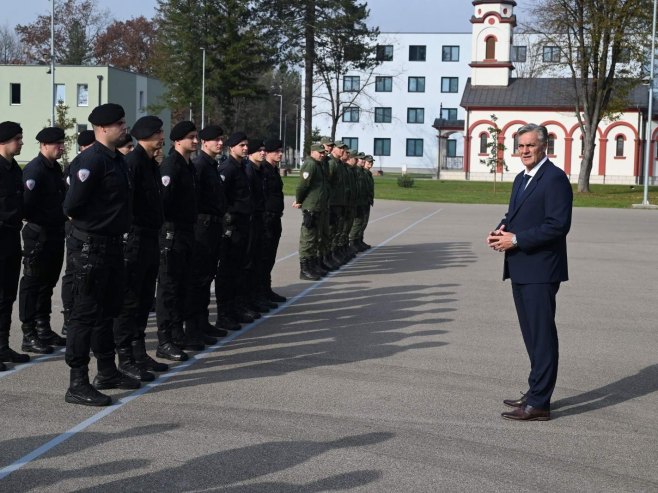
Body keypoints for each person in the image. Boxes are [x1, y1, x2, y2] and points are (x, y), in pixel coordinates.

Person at [487, 123, 573, 422]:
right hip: (521, 266)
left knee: (542, 335)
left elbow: (557, 225)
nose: (524, 151)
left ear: (544, 146)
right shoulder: (521, 178)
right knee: (531, 335)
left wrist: (517, 239)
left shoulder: (554, 179)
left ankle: (539, 403)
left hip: (541, 269)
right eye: (520, 145)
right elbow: (514, 215)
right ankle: (536, 390)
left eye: (530, 145)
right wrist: (501, 230)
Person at [63, 103, 139, 406]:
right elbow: (71, 207)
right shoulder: (90, 161)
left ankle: (107, 371)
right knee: (84, 315)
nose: (125, 127)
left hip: (111, 246)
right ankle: (77, 382)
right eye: (120, 123)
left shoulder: (117, 160)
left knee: (108, 310)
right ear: (103, 128)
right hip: (90, 248)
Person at [112, 115, 168, 381]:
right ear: (146, 135)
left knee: (145, 299)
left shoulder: (150, 163)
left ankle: (138, 351)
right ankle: (125, 357)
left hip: (150, 238)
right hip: (134, 239)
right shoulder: (132, 163)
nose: (162, 136)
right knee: (130, 300)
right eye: (158, 132)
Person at [18, 127, 68, 355]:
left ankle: (43, 327)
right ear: (44, 145)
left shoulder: (54, 168)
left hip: (54, 233)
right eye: (58, 144)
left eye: (62, 143)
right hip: (39, 235)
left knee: (47, 284)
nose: (61, 147)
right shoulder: (35, 170)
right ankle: (29, 334)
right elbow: (26, 206)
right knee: (33, 284)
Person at [156, 121, 198, 359]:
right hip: (172, 233)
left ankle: (177, 331)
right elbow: (165, 202)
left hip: (186, 232)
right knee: (169, 288)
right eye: (191, 137)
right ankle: (165, 340)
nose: (195, 141)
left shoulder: (187, 164)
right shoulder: (171, 165)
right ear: (178, 140)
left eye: (196, 136)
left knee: (182, 285)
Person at [188, 124, 230, 339]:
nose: (220, 143)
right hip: (202, 228)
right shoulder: (200, 166)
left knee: (207, 277)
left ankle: (202, 323)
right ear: (205, 143)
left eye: (221, 139)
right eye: (216, 140)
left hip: (213, 227)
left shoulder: (212, 165)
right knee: (199, 279)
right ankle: (194, 326)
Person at [216, 132, 256, 325]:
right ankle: (224, 313)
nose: (246, 148)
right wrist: (227, 221)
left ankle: (235, 308)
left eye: (247, 145)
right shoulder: (227, 168)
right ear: (232, 147)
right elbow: (221, 198)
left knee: (239, 269)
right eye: (241, 145)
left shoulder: (242, 167)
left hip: (242, 224)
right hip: (232, 227)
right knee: (227, 271)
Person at [60, 129, 96, 337]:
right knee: (74, 274)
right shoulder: (78, 166)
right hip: (77, 228)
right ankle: (69, 317)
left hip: (88, 228)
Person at [0, 121, 30, 371]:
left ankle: (2, 346)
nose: (21, 142)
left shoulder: (14, 170)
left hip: (11, 238)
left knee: (7, 296)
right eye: (17, 138)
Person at [293, 143, 329, 281]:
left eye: (323, 153)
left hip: (318, 206)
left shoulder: (319, 165)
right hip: (311, 207)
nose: (322, 154)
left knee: (315, 237)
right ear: (312, 152)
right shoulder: (311, 165)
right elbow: (302, 186)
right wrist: (299, 200)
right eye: (319, 152)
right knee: (308, 238)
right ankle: (305, 269)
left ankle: (312, 265)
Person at [261, 138, 286, 302]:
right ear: (268, 153)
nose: (280, 154)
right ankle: (260, 291)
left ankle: (266, 289)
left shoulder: (274, 170)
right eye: (276, 151)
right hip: (266, 218)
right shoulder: (264, 170)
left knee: (269, 257)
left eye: (281, 151)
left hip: (275, 217)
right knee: (263, 257)